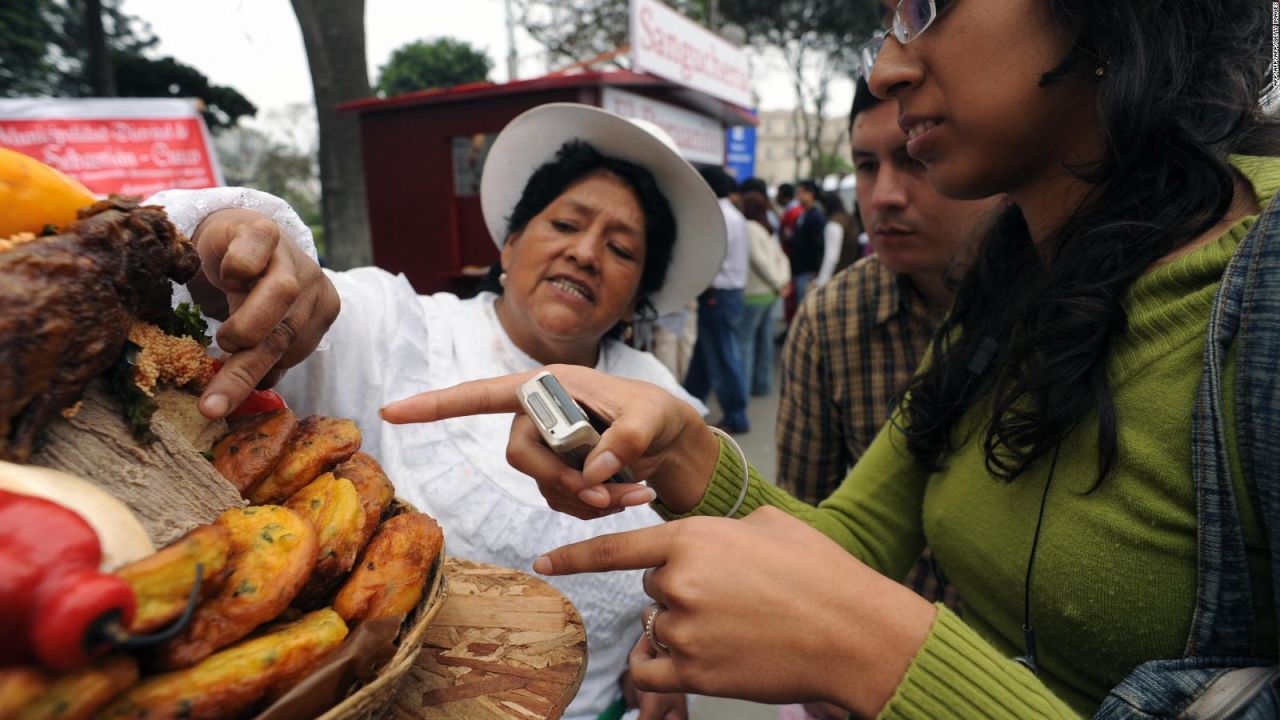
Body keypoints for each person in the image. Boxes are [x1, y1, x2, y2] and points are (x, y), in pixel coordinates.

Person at [381, 0, 1280, 716]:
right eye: (565, 226)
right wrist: (681, 450)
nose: (888, 66)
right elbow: (849, 540)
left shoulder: (1260, 296)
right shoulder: (1006, 290)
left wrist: (876, 652)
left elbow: (855, 610)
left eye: (927, 6)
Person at [151, 103, 728, 720]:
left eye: (620, 249)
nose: (586, 253)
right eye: (564, 224)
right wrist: (228, 242)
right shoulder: (398, 325)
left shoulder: (665, 400)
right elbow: (261, 302)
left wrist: (657, 633)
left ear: (638, 294)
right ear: (509, 243)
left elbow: (691, 556)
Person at [683, 166, 751, 434]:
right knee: (707, 353)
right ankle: (688, 403)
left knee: (722, 356)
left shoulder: (719, 216)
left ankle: (736, 416)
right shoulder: (733, 215)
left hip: (718, 294)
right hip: (726, 294)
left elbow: (712, 259)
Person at [735, 189, 790, 398]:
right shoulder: (768, 228)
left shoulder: (748, 228)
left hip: (753, 294)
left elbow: (759, 262)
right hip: (770, 295)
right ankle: (762, 384)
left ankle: (744, 389)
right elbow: (782, 258)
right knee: (763, 341)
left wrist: (777, 283)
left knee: (745, 343)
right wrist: (781, 283)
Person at [789, 180, 826, 303]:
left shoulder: (815, 216)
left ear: (810, 194)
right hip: (800, 269)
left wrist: (815, 271)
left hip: (808, 271)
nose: (798, 197)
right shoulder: (804, 214)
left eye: (801, 193)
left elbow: (818, 245)